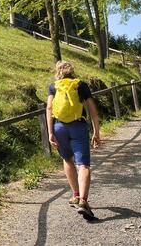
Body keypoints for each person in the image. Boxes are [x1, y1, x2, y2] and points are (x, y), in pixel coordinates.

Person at [46, 60, 101, 218]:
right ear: (72, 71)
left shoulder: (53, 86)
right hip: (78, 126)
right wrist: (96, 132)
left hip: (59, 127)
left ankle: (75, 195)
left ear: (58, 72)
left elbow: (49, 108)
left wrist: (50, 132)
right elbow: (93, 111)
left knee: (67, 159)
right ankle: (83, 200)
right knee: (83, 165)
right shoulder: (81, 85)